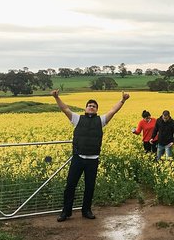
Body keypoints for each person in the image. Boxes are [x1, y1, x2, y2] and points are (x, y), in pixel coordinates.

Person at [52, 89, 130, 222]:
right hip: (78, 157)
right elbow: (65, 109)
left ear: (96, 110)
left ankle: (86, 210)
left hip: (93, 159)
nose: (91, 107)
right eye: (89, 106)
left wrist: (122, 100)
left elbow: (112, 111)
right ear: (85, 108)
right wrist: (56, 97)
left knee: (90, 186)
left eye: (94, 106)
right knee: (70, 185)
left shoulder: (101, 120)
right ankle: (66, 212)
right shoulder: (77, 119)